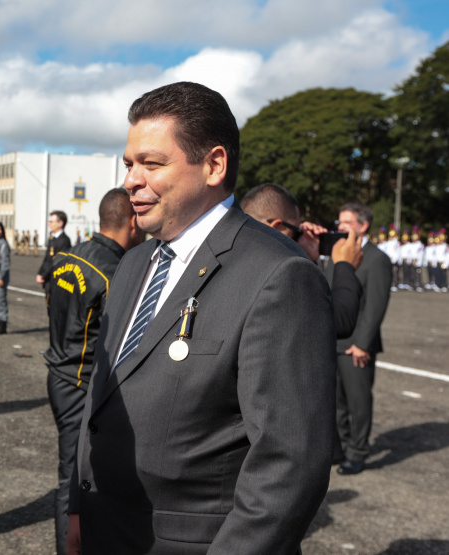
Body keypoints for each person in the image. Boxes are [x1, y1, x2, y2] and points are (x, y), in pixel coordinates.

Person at [67, 82, 336, 554]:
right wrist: (77, 508)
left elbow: (289, 464)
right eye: (129, 164)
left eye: (152, 164)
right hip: (104, 531)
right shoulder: (133, 264)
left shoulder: (279, 274)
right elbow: (101, 397)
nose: (130, 179)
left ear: (214, 165)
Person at [44, 188, 142, 555]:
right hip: (81, 383)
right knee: (74, 480)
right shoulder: (117, 271)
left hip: (59, 372)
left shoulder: (66, 256)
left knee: (80, 475)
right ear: (132, 221)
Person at [241, 182, 363, 338]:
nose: (299, 237)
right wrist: (345, 265)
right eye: (296, 232)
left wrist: (305, 255)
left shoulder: (229, 258)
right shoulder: (279, 272)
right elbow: (340, 321)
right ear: (277, 226)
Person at [328, 202, 392, 475]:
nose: (340, 227)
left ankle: (357, 452)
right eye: (339, 222)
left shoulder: (376, 259)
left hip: (357, 345)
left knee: (358, 402)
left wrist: (363, 344)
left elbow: (375, 305)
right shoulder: (338, 254)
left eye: (346, 222)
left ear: (363, 226)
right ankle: (340, 447)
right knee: (336, 402)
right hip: (336, 342)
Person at [36, 210, 71, 288]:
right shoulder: (53, 239)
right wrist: (40, 273)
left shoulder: (64, 240)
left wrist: (44, 275)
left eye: (51, 222)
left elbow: (57, 261)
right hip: (49, 279)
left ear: (60, 223)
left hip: (56, 280)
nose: (49, 224)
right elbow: (47, 259)